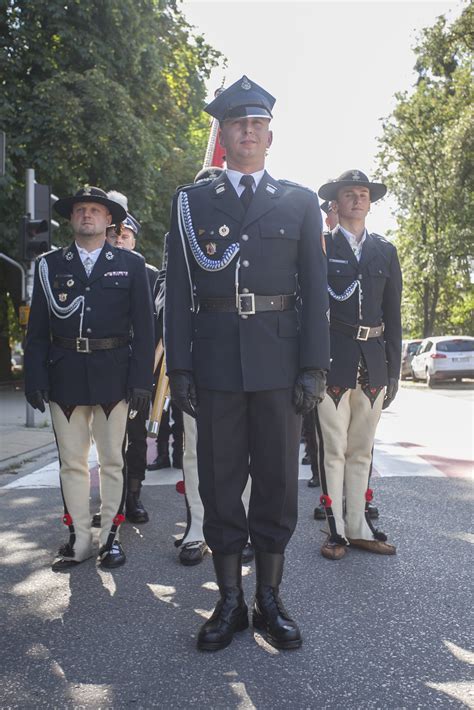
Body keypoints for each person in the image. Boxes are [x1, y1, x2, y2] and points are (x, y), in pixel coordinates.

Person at [165, 76, 330, 650]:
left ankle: (270, 600)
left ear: (269, 134)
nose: (248, 131)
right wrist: (179, 368)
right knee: (219, 479)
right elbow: (182, 289)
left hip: (280, 363)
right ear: (224, 134)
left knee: (279, 484)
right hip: (214, 364)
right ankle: (229, 601)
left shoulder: (300, 200)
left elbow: (314, 286)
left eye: (257, 123)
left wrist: (314, 365)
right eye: (238, 123)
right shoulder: (191, 202)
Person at [24, 186, 154, 570]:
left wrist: (141, 380)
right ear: (71, 218)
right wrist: (34, 376)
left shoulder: (130, 265)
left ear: (109, 220)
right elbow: (38, 330)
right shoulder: (50, 265)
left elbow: (144, 332)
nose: (87, 215)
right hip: (64, 373)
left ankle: (111, 538)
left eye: (95, 210)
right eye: (80, 210)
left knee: (112, 460)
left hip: (114, 374)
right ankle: (80, 539)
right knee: (72, 463)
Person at [315, 170, 402, 561]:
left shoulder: (385, 250)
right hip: (334, 360)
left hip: (373, 362)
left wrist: (395, 371)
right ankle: (334, 529)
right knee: (333, 449)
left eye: (363, 194)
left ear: (370, 202)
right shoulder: (319, 248)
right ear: (336, 203)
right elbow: (310, 312)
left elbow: (394, 317)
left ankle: (357, 526)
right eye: (349, 194)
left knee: (362, 450)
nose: (357, 200)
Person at [104, 203, 160, 523]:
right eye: (115, 235)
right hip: (108, 363)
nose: (120, 240)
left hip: (139, 365)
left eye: (125, 235)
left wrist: (148, 371)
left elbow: (154, 327)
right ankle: (112, 498)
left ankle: (134, 496)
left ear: (134, 240)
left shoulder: (148, 274)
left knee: (136, 437)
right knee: (110, 438)